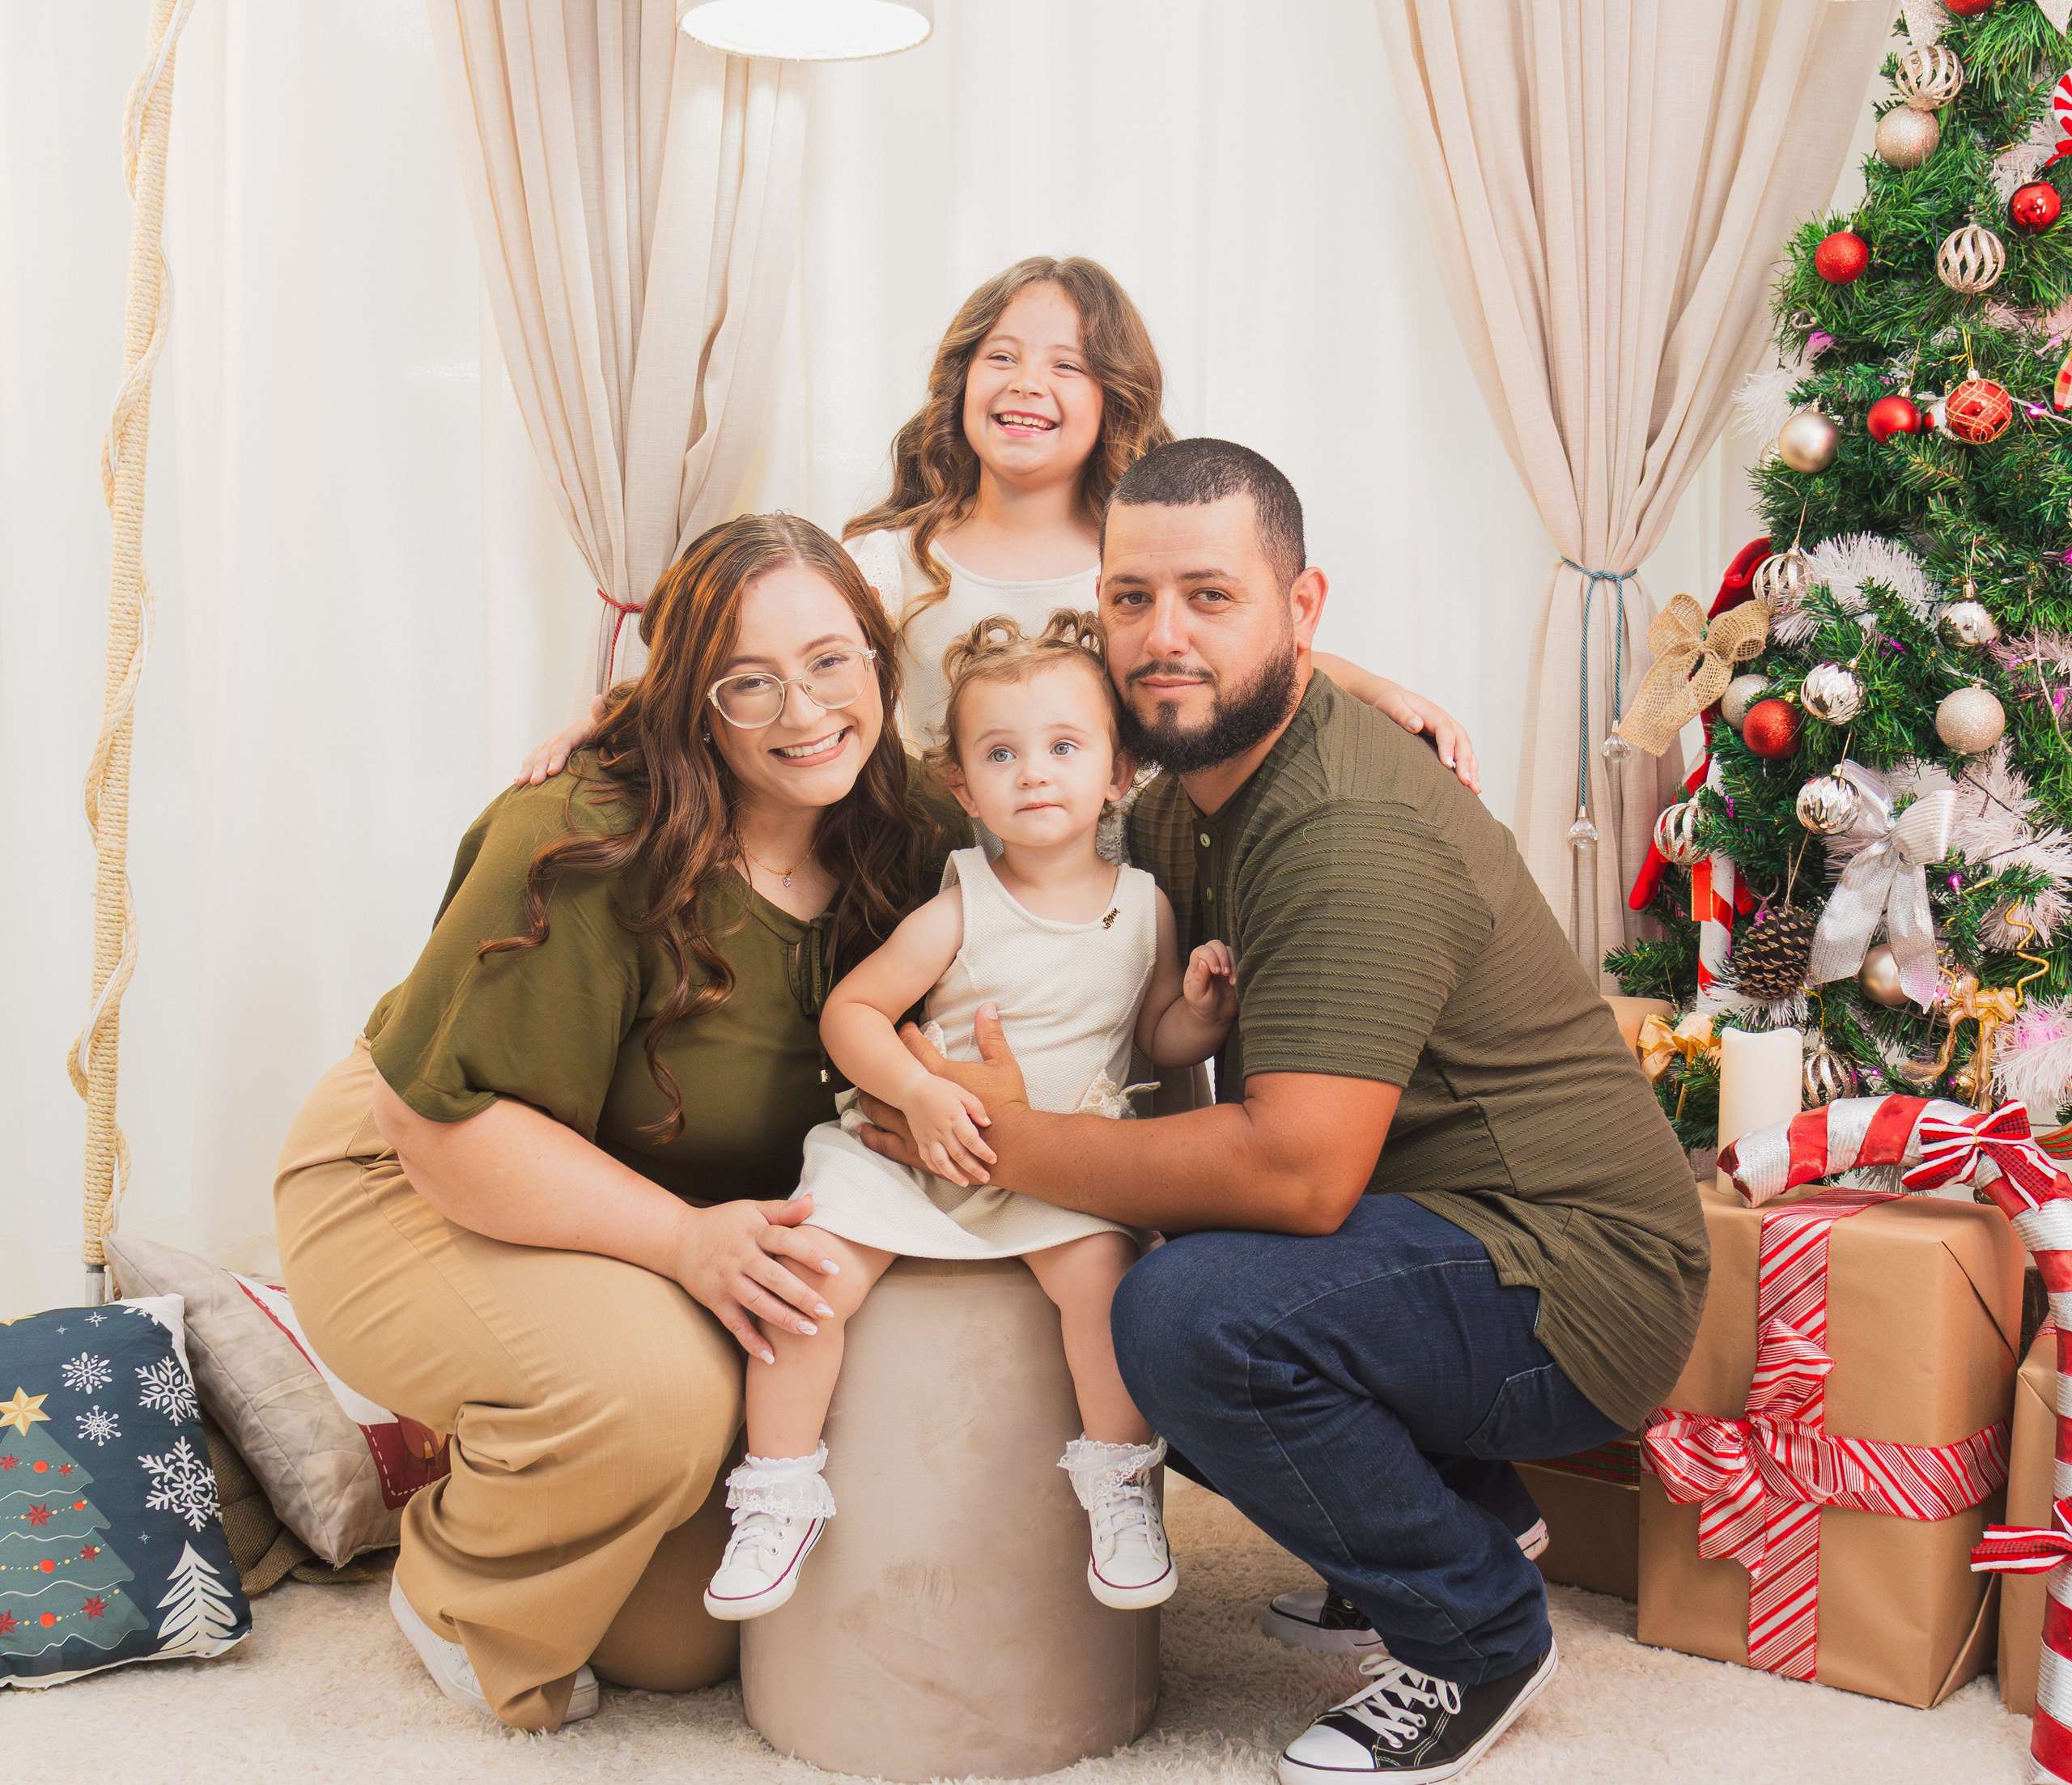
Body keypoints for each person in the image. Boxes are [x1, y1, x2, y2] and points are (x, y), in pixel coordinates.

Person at [853, 439, 1709, 1785]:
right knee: (1156, 1258)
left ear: (1302, 610)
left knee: (1184, 1318)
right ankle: (1456, 1515)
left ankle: (1477, 1628)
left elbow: (1298, 1179)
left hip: (1574, 1282)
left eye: (1211, 597)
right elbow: (995, 734)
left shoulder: (1344, 830)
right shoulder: (1196, 782)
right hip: (1437, 1222)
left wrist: (990, 1138)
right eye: (1131, 601)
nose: (1160, 638)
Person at [272, 513, 966, 1732]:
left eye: (829, 660)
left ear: (877, 651)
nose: (804, 709)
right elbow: (449, 1123)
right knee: (655, 1405)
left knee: (681, 1642)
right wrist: (690, 1246)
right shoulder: (580, 837)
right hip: (420, 1164)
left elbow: (1088, 787)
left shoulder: (904, 827)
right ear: (692, 700)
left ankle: (505, 1464)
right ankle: (449, 1596)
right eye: (747, 682)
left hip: (648, 1190)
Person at [698, 613, 1237, 1625]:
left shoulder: (1148, 904)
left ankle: (1117, 1485)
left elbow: (1153, 1036)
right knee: (805, 1283)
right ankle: (775, 1493)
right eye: (1002, 754)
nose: (1034, 775)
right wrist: (917, 1090)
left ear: (1119, 773)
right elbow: (851, 1012)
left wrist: (1200, 1015)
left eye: (1064, 748)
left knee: (1105, 1286)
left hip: (1053, 1170)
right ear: (962, 786)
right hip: (912, 1154)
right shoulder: (962, 899)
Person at [519, 255, 1483, 814]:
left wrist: (1382, 690)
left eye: (1068, 366)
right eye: (1003, 357)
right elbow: (764, 659)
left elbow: (1241, 650)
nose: (1028, 383)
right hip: (921, 884)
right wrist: (615, 712)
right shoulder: (891, 561)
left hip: (1105, 896)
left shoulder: (1134, 566)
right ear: (961, 381)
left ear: (1114, 403)